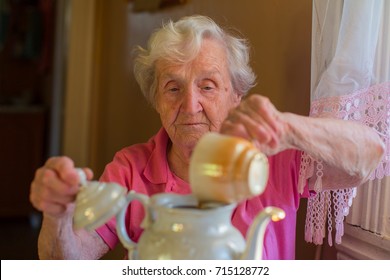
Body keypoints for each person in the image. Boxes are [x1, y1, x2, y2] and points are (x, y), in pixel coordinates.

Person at [29, 15, 384, 260]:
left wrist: (289, 127)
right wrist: (58, 214)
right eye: (172, 88)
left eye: (208, 86)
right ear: (156, 100)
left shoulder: (272, 160)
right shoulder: (131, 170)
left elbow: (371, 155)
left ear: (236, 96)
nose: (190, 104)